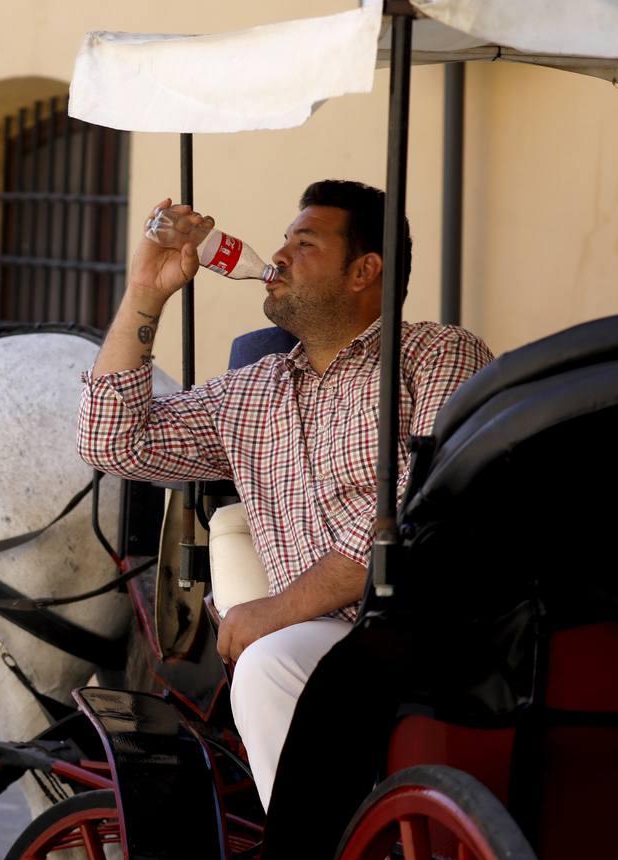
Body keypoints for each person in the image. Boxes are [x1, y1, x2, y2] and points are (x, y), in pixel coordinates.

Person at [77, 180, 493, 810]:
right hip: (325, 643)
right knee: (276, 658)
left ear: (364, 270)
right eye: (283, 241)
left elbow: (417, 511)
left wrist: (274, 611)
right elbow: (111, 441)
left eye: (303, 244)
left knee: (270, 660)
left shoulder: (435, 354)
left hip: (430, 631)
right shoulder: (253, 391)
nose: (276, 257)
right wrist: (146, 291)